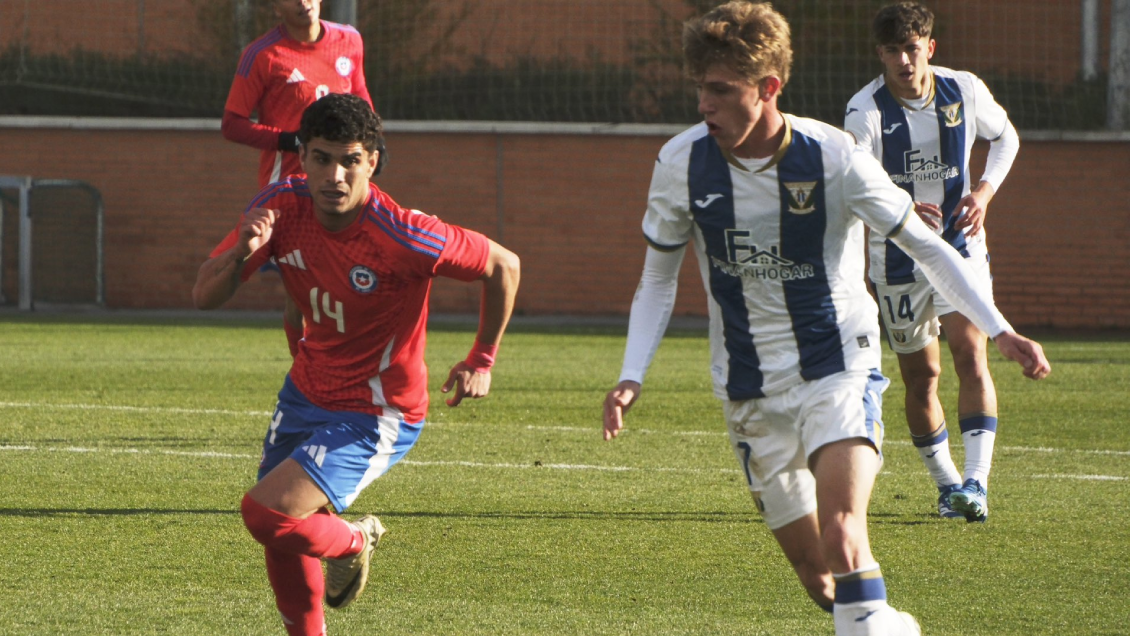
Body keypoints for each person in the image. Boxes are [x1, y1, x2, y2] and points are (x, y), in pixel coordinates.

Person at [601, 3, 1048, 634]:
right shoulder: (681, 164)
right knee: (821, 582)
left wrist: (998, 328)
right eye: (701, 87)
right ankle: (889, 626)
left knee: (843, 533)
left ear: (768, 87)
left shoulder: (833, 157)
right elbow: (657, 278)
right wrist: (631, 374)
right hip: (749, 386)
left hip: (838, 365)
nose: (704, 104)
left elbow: (928, 247)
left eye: (721, 90)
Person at [194, 94, 520, 636]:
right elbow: (204, 294)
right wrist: (243, 252)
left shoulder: (405, 234)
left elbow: (504, 265)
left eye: (350, 160)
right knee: (281, 534)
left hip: (376, 412)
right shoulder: (281, 206)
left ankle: (355, 538)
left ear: (373, 160)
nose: (335, 175)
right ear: (302, 157)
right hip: (305, 392)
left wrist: (481, 359)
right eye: (322, 158)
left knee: (267, 514)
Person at [844, 2, 1021, 523]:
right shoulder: (865, 111)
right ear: (880, 54)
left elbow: (1005, 136)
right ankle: (947, 486)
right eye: (893, 51)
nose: (904, 60)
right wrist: (898, 205)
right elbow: (851, 182)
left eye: (912, 48)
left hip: (961, 246)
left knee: (971, 354)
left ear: (930, 47)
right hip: (895, 258)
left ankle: (976, 484)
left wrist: (984, 192)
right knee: (922, 377)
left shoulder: (963, 89)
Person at [222, 0, 374, 357]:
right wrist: (289, 141)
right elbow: (232, 124)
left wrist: (373, 140)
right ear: (276, 7)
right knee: (302, 296)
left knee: (352, 281)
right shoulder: (262, 55)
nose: (303, 1)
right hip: (290, 190)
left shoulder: (350, 40)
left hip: (342, 185)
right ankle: (305, 368)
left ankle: (346, 362)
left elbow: (360, 98)